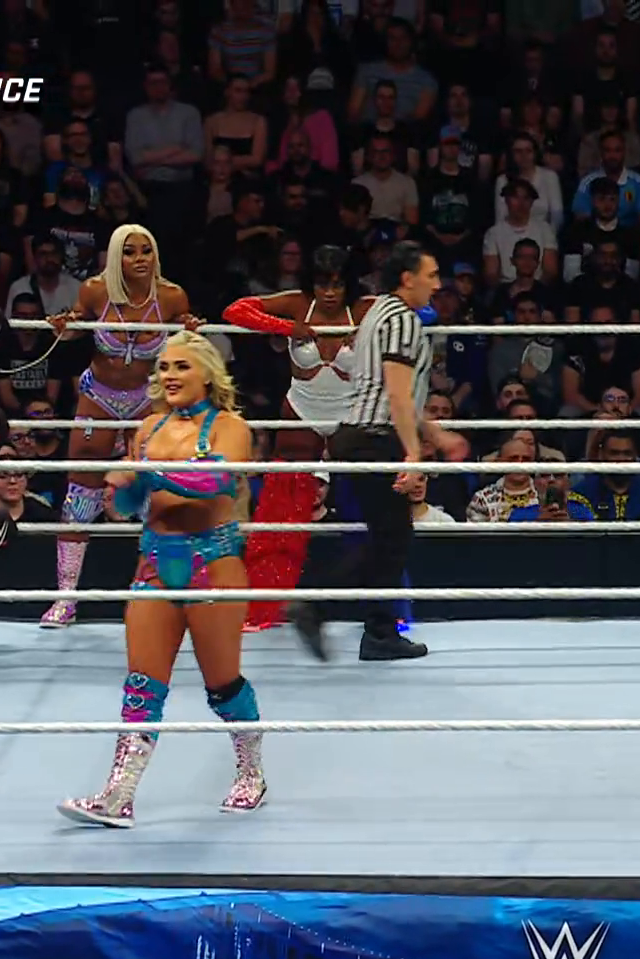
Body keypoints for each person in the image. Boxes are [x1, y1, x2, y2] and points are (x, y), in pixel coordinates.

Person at [58, 331, 265, 827]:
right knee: (141, 685)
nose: (169, 375)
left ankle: (251, 773)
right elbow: (136, 502)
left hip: (212, 563)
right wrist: (120, 491)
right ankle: (119, 795)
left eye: (181, 366)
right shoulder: (148, 428)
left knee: (223, 685)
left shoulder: (231, 427)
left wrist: (148, 473)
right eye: (164, 367)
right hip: (154, 562)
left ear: (208, 375)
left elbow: (218, 480)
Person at [286, 241, 469, 662]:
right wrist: (413, 456)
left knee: (390, 536)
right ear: (407, 278)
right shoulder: (402, 319)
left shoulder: (377, 313)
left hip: (359, 434)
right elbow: (398, 396)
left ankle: (374, 629)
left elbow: (392, 392)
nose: (437, 284)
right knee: (390, 537)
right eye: (430, 275)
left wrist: (438, 436)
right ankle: (320, 607)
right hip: (375, 437)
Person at [40, 224, 203, 629]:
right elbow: (75, 323)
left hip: (147, 399)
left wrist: (189, 330)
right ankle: (65, 598)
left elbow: (185, 344)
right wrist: (65, 325)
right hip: (99, 396)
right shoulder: (96, 290)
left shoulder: (171, 296)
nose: (139, 258)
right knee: (80, 494)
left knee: (156, 494)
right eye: (129, 252)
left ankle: (158, 594)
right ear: (116, 256)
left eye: (146, 250)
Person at [221, 245, 360, 631]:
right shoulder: (299, 303)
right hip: (301, 412)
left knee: (371, 507)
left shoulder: (364, 308)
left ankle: (382, 612)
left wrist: (368, 332)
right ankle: (262, 607)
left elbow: (420, 312)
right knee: (280, 513)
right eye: (322, 283)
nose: (329, 292)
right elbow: (235, 311)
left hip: (351, 416)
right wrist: (286, 328)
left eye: (337, 284)